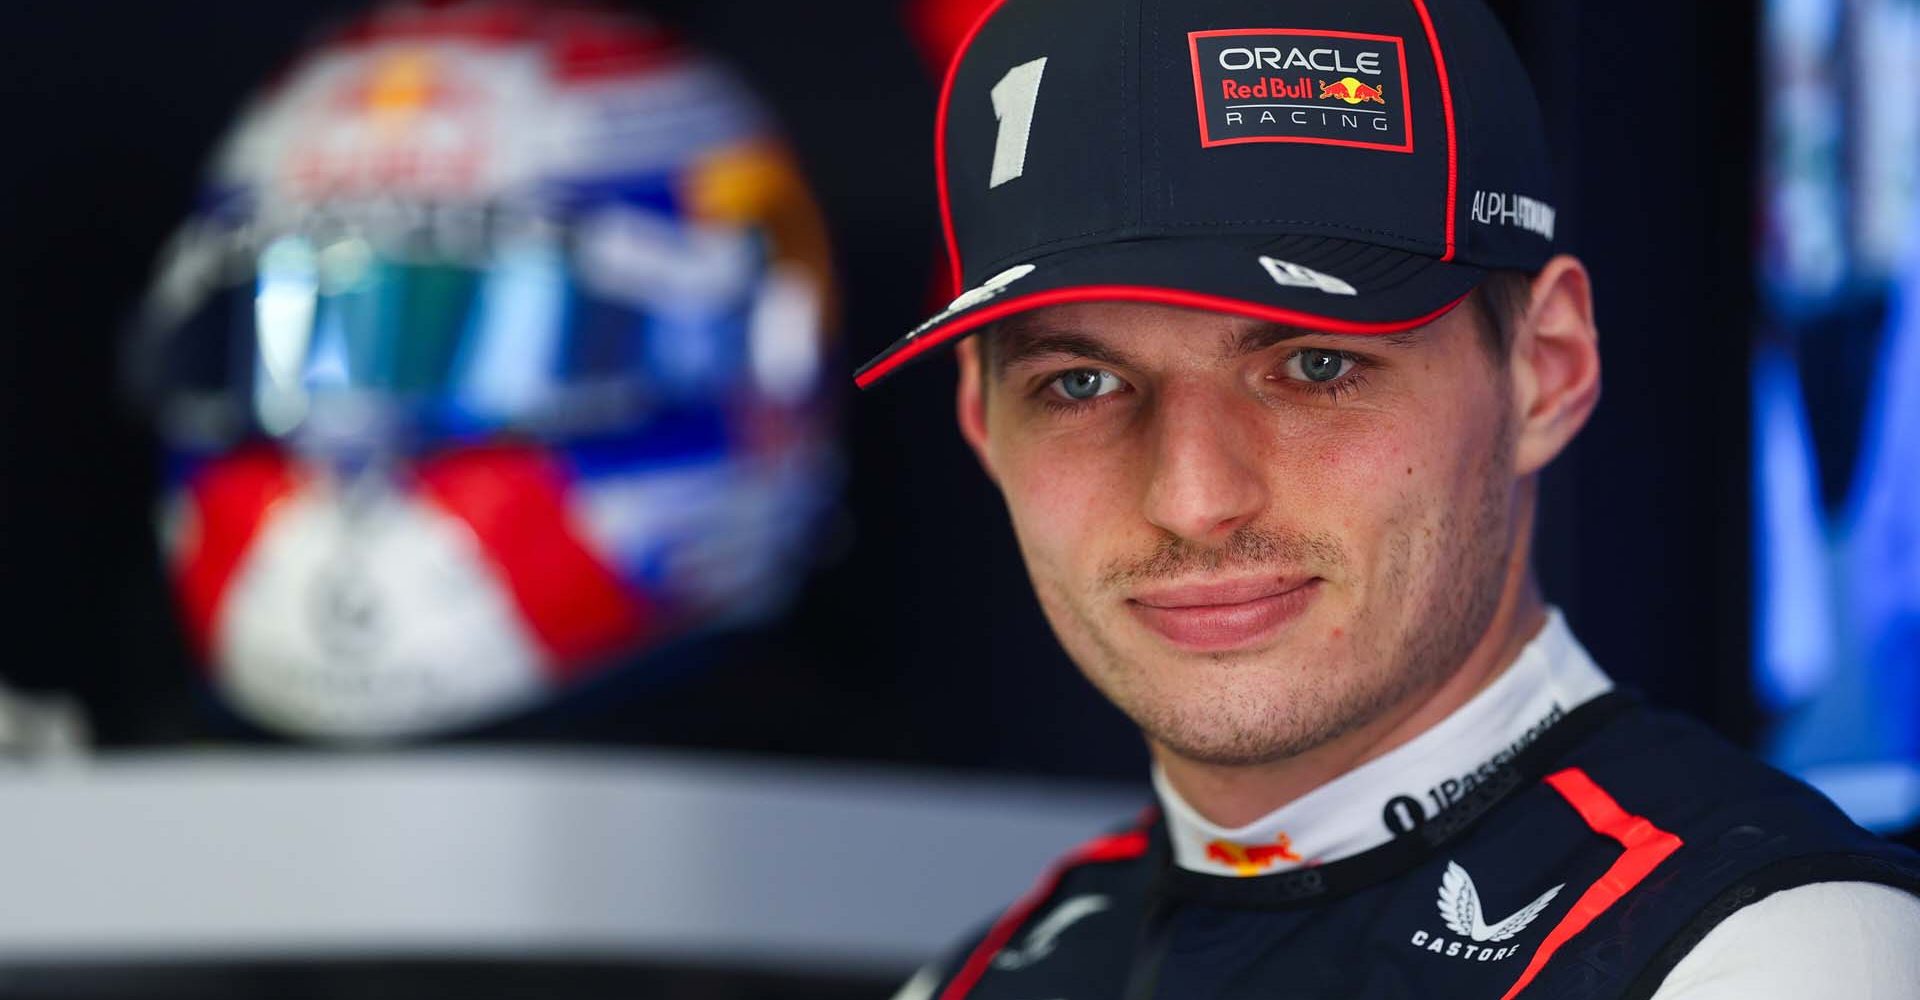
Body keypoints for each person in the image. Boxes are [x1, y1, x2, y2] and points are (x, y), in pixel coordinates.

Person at [855, 0, 1920, 996]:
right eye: (1081, 384)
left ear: (1544, 370)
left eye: (1317, 366)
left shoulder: (1773, 950)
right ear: (982, 420)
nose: (1190, 497)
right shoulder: (977, 979)